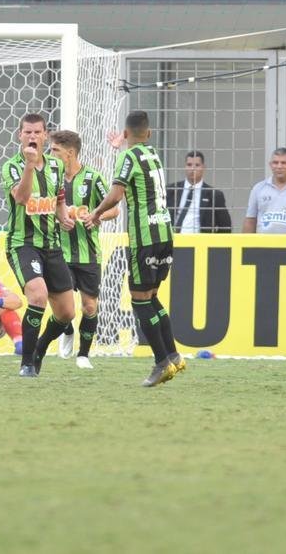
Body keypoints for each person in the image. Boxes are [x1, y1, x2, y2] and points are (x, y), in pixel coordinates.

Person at [87, 110, 183, 387]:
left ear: (126, 133)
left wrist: (94, 214)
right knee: (152, 297)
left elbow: (116, 195)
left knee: (140, 300)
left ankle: (161, 363)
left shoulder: (127, 157)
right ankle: (174, 356)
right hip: (164, 232)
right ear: (148, 133)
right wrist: (121, 149)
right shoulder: (152, 154)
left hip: (145, 237)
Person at [0, 112, 74, 377]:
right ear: (20, 135)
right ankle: (27, 364)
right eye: (27, 132)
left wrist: (63, 217)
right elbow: (21, 198)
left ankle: (40, 349)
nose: (32, 137)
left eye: (37, 132)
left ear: (45, 135)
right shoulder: (11, 166)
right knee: (38, 295)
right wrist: (29, 166)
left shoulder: (55, 166)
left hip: (51, 245)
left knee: (66, 314)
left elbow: (59, 198)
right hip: (23, 244)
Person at [49, 129, 117, 369]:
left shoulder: (93, 178)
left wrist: (97, 216)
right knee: (62, 305)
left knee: (89, 306)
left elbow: (114, 210)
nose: (50, 153)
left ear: (70, 153)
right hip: (58, 252)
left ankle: (83, 355)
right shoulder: (48, 177)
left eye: (55, 150)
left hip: (88, 252)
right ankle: (67, 328)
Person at [242, 147, 286, 234]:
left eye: (284, 163)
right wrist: (246, 245)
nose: (279, 166)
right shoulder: (259, 188)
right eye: (275, 163)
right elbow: (250, 220)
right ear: (270, 165)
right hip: (263, 244)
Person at [166, 150, 232, 234]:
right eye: (189, 165)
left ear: (204, 168)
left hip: (200, 243)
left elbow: (225, 226)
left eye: (197, 165)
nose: (192, 169)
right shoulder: (171, 190)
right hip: (173, 241)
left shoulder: (214, 195)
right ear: (185, 167)